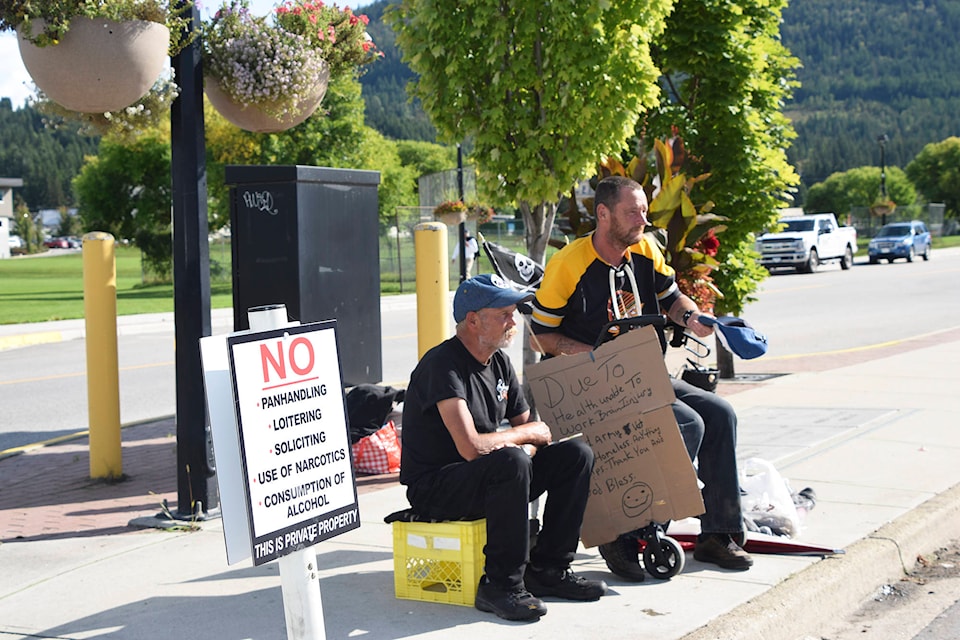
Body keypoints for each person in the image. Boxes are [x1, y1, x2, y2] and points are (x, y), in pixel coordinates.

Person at [529, 175, 753, 581]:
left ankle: (717, 534)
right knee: (687, 422)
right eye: (633, 212)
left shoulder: (646, 249)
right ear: (603, 213)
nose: (642, 220)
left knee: (720, 414)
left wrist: (696, 318)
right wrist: (594, 355)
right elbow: (541, 334)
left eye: (644, 211)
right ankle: (627, 533)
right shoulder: (568, 264)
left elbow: (670, 298)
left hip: (642, 375)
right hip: (592, 384)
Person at [400, 274, 608, 621]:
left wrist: (526, 441)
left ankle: (549, 569)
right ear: (473, 320)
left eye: (514, 312)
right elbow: (471, 448)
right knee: (511, 461)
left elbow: (529, 430)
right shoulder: (442, 365)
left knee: (576, 456)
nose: (514, 321)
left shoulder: (498, 362)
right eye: (504, 314)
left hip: (484, 475)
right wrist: (522, 441)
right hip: (436, 487)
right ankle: (501, 585)